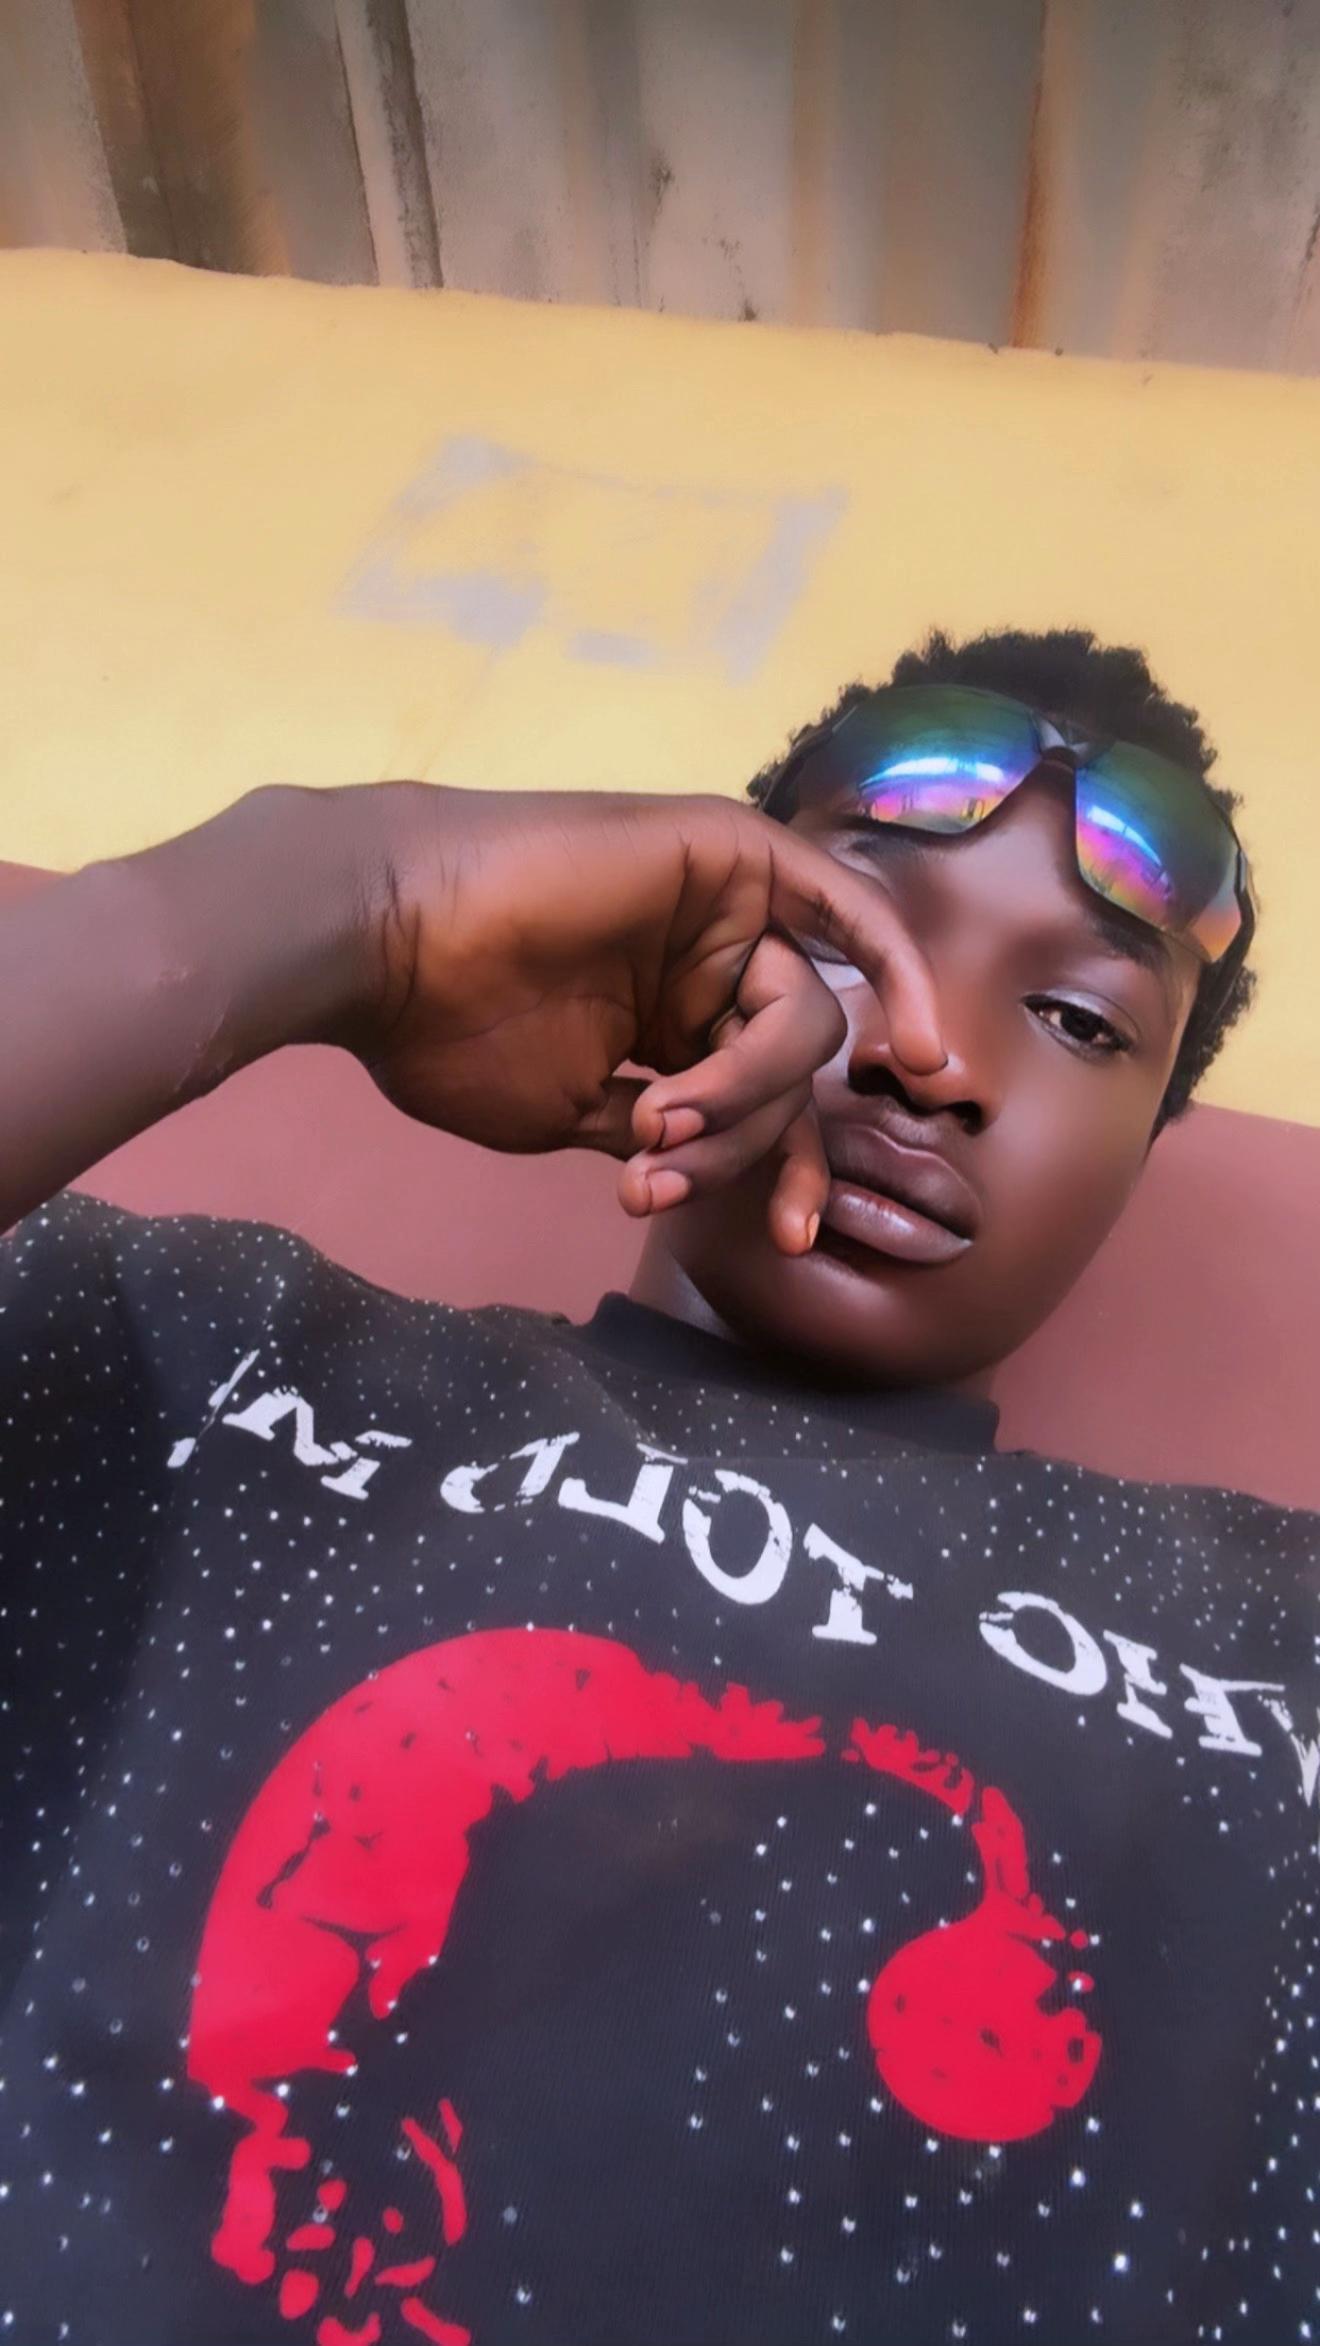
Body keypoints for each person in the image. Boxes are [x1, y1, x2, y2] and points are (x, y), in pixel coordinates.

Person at [0, 625, 1307, 2346]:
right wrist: (343, 891)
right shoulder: (212, 1348)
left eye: (1078, 1017)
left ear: (1144, 1153)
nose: (932, 1053)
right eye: (851, 938)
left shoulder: (1276, 1636)